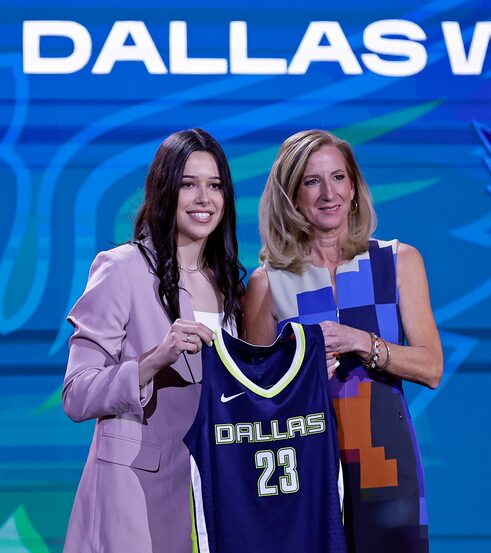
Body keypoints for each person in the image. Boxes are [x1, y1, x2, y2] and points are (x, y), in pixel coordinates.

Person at [245, 129, 442, 552]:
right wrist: (298, 378)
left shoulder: (398, 261)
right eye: (312, 182)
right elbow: (253, 400)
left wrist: (362, 342)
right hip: (304, 466)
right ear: (292, 196)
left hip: (384, 463)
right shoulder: (268, 283)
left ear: (354, 187)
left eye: (338, 178)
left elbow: (431, 366)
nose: (327, 193)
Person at [62, 128, 245, 552]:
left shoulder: (229, 286)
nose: (204, 198)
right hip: (131, 492)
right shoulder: (122, 268)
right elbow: (76, 394)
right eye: (189, 184)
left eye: (215, 186)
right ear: (165, 190)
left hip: (205, 492)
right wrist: (153, 360)